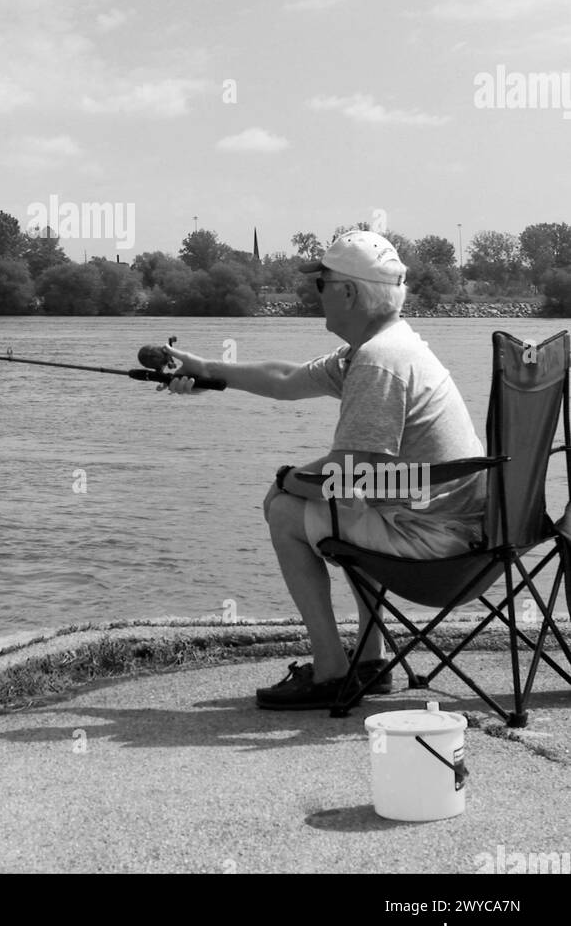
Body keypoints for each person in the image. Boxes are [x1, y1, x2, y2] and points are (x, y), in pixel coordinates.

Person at [164, 231, 487, 710]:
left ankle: (331, 670)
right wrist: (209, 369)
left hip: (435, 548)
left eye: (321, 285)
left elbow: (353, 469)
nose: (313, 294)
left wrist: (285, 480)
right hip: (454, 531)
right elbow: (287, 380)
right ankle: (370, 660)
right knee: (331, 500)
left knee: (285, 511)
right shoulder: (387, 344)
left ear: (350, 292)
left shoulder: (380, 362)